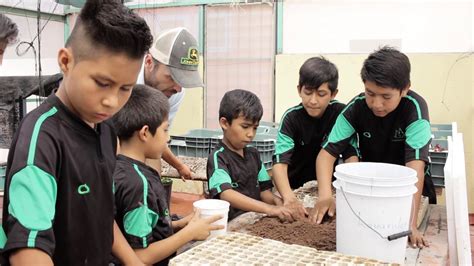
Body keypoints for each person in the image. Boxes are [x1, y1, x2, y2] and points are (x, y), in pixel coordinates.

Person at [0, 0, 153, 264]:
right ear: (66, 61)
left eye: (125, 88)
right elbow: (29, 250)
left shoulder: (107, 132)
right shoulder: (41, 137)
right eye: (102, 83)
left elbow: (102, 217)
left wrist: (134, 262)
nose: (112, 101)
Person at [312, 46, 436, 248]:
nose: (377, 104)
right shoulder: (356, 108)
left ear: (404, 89)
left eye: (386, 97)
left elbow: (416, 169)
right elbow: (326, 155)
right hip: (372, 189)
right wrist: (325, 195)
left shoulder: (415, 109)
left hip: (409, 192)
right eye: (370, 93)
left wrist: (410, 224)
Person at [112, 84, 223, 265]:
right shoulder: (139, 184)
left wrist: (177, 224)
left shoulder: (119, 169)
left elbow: (134, 228)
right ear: (145, 133)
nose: (167, 138)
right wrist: (189, 234)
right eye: (165, 129)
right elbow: (139, 255)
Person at [272, 57, 358, 219]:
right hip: (294, 187)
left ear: (333, 94)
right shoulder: (291, 118)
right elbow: (279, 164)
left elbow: (351, 157)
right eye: (308, 92)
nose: (313, 100)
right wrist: (289, 197)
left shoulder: (342, 114)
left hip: (326, 187)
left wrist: (348, 194)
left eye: (321, 94)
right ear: (299, 90)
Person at [207, 89, 293, 221]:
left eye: (255, 128)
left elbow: (264, 192)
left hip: (254, 220)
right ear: (224, 123)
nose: (250, 134)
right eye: (245, 126)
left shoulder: (254, 154)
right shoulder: (218, 157)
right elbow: (226, 194)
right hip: (231, 224)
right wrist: (268, 209)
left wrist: (278, 203)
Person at [138, 27, 203, 180]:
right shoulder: (127, 79)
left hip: (142, 143)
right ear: (149, 62)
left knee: (152, 169)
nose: (178, 88)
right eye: (172, 77)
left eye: (183, 80)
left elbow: (157, 138)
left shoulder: (174, 92)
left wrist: (179, 166)